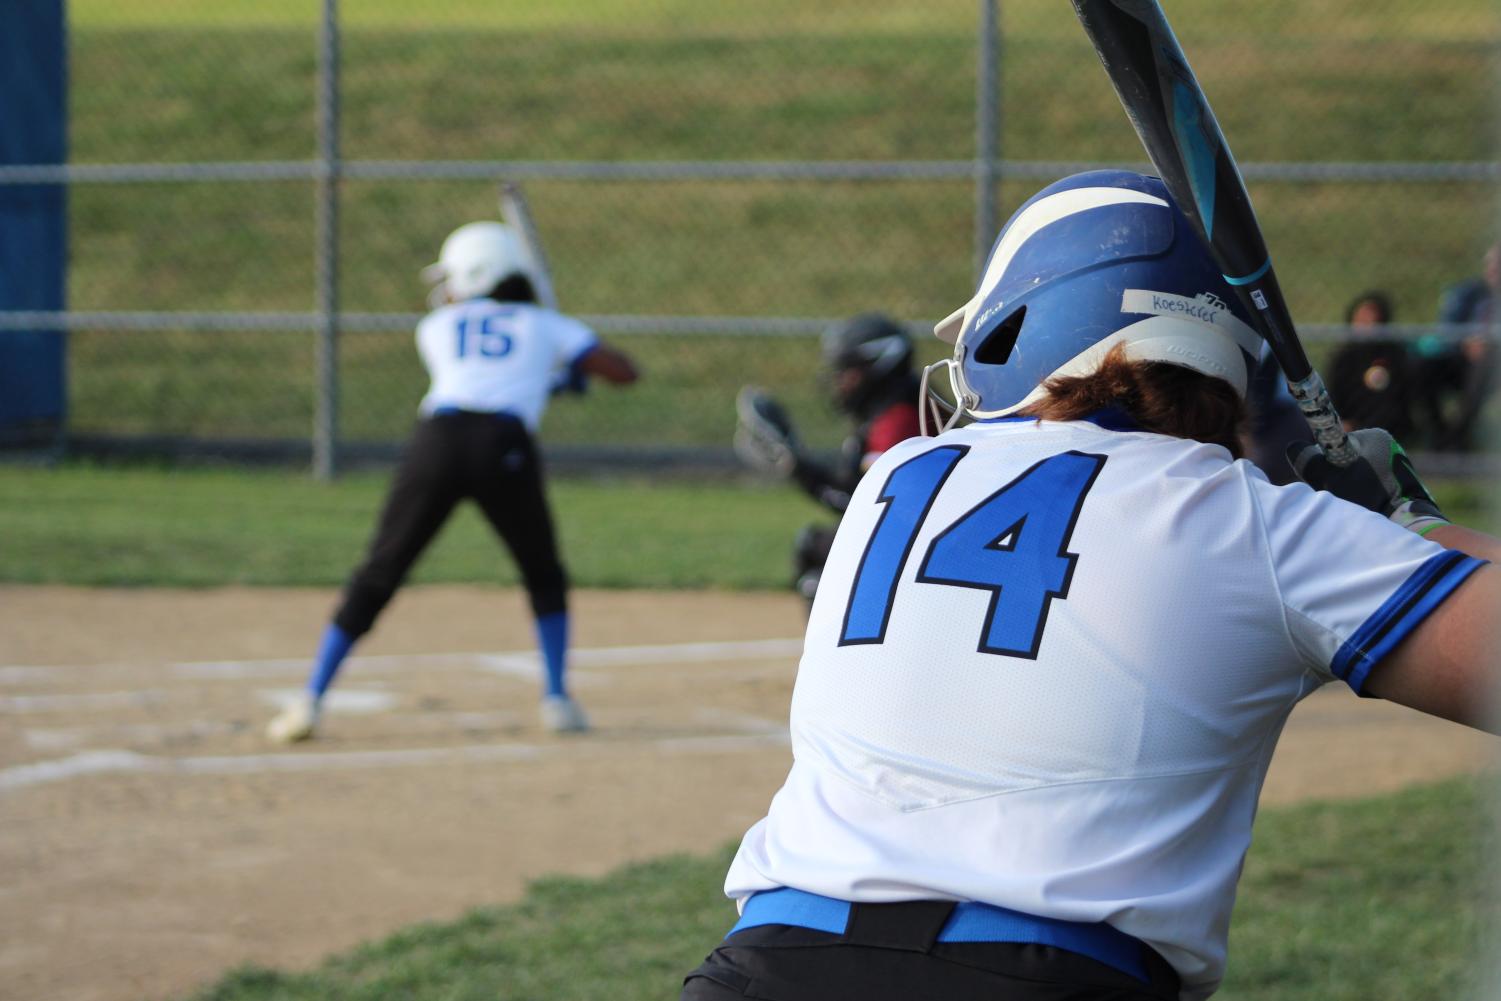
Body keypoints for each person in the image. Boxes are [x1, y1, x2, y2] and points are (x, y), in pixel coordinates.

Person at [681, 170, 1497, 1001]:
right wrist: (1407, 527)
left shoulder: (896, 470)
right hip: (1045, 974)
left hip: (762, 964)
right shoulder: (1254, 522)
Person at [266, 221, 638, 743]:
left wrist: (555, 369)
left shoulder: (436, 327)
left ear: (475, 273)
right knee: (542, 571)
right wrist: (571, 364)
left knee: (380, 569)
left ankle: (310, 699)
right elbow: (624, 372)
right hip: (504, 445)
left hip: (435, 443)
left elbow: (485, 372)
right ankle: (557, 699)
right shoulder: (545, 324)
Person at [734, 313, 924, 606]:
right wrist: (799, 466)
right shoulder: (893, 408)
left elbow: (874, 510)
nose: (841, 381)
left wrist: (797, 469)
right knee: (819, 544)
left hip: (919, 542)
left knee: (816, 555)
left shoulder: (897, 422)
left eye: (849, 372)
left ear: (878, 366)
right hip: (915, 533)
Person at [1326, 290, 1414, 440]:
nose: (1365, 323)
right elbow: (1334, 394)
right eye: (1360, 318)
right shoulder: (1344, 356)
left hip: (1387, 427)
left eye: (1370, 319)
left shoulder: (1393, 354)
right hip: (1351, 424)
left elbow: (1399, 398)